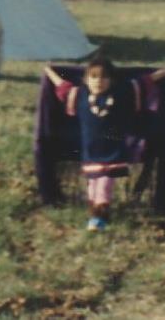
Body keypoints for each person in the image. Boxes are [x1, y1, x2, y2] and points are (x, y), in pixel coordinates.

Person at [44, 56, 137, 231]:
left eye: (104, 77)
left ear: (111, 80)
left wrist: (160, 75)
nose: (99, 82)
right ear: (86, 80)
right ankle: (99, 213)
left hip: (113, 152)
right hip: (91, 152)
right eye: (94, 77)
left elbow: (138, 84)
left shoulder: (119, 95)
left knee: (104, 186)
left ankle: (98, 219)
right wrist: (49, 72)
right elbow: (63, 87)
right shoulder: (80, 96)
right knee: (93, 188)